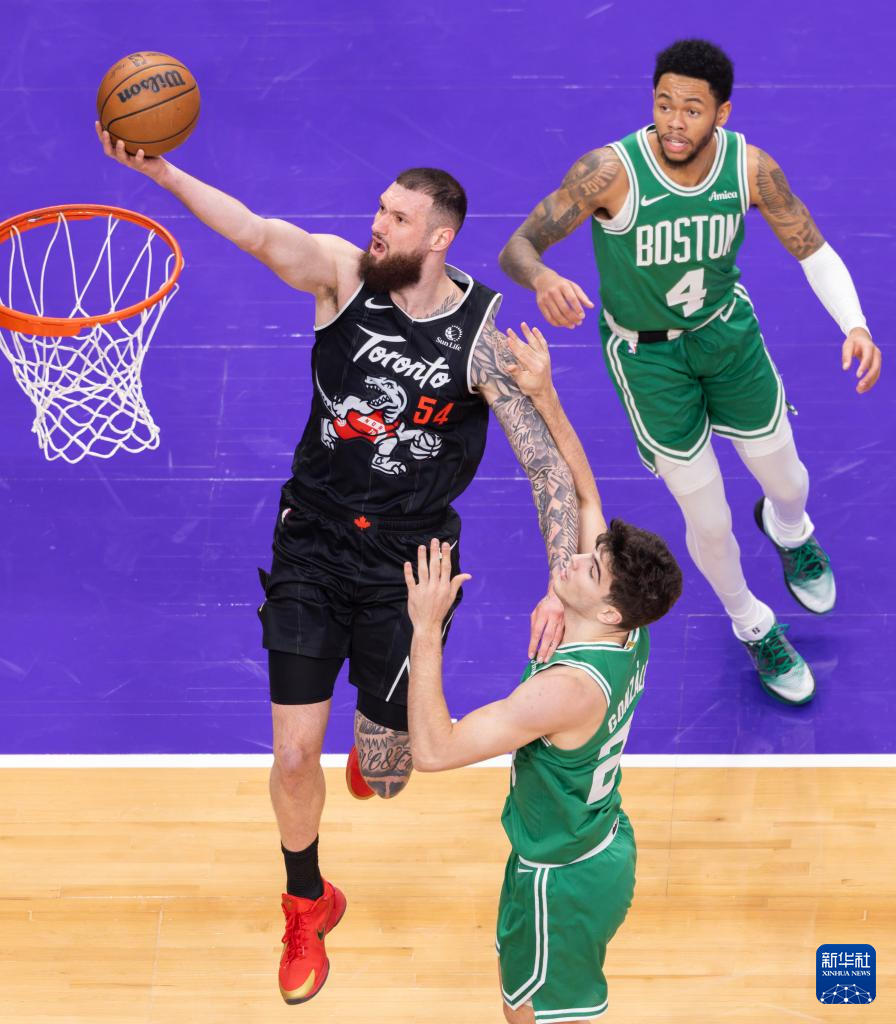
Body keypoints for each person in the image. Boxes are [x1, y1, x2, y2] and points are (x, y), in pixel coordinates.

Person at [96, 129, 580, 1003]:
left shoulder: (480, 339)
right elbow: (253, 230)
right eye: (380, 208)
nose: (378, 224)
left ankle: (378, 737)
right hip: (313, 543)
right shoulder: (341, 277)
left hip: (410, 565)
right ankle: (306, 902)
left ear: (440, 237)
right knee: (293, 757)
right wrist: (161, 170)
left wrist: (559, 583)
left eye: (398, 217)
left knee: (387, 775)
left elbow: (544, 466)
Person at [498, 38, 882, 706]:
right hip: (648, 361)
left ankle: (791, 530)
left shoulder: (750, 168)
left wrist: (856, 324)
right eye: (664, 104)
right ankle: (752, 623)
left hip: (726, 336)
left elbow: (812, 248)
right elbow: (519, 246)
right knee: (708, 517)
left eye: (693, 109)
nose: (675, 122)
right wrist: (543, 277)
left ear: (722, 113)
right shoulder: (608, 171)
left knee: (787, 478)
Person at [405, 323, 683, 1024]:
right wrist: (546, 394)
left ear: (610, 609)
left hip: (562, 883)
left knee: (528, 1014)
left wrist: (426, 627)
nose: (575, 559)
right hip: (590, 845)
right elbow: (586, 500)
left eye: (589, 569)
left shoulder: (563, 693)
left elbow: (434, 751)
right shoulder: (629, 631)